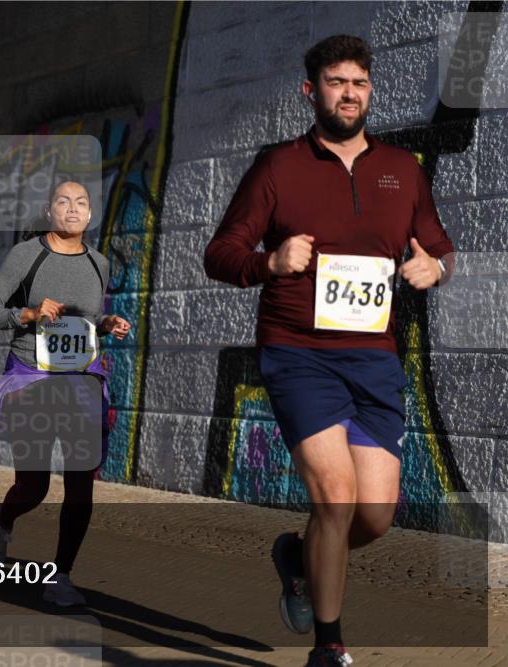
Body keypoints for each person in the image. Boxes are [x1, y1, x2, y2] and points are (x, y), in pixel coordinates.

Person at [204, 35, 453, 666]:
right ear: (311, 91)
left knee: (373, 516)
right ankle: (329, 646)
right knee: (336, 497)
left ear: (371, 90)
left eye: (360, 83)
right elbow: (220, 254)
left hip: (374, 359)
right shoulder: (279, 168)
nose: (350, 94)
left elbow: (437, 247)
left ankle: (295, 553)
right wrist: (270, 261)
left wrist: (437, 270)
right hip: (298, 354)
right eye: (338, 82)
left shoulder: (402, 169)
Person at [0, 180, 131, 607]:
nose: (72, 209)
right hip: (32, 380)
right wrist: (30, 313)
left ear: (90, 215)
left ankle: (61, 576)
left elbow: (87, 320)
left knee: (81, 485)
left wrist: (106, 323)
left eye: (81, 203)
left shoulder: (98, 263)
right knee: (34, 486)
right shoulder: (27, 255)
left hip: (82, 382)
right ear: (50, 210)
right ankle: (2, 521)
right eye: (63, 201)